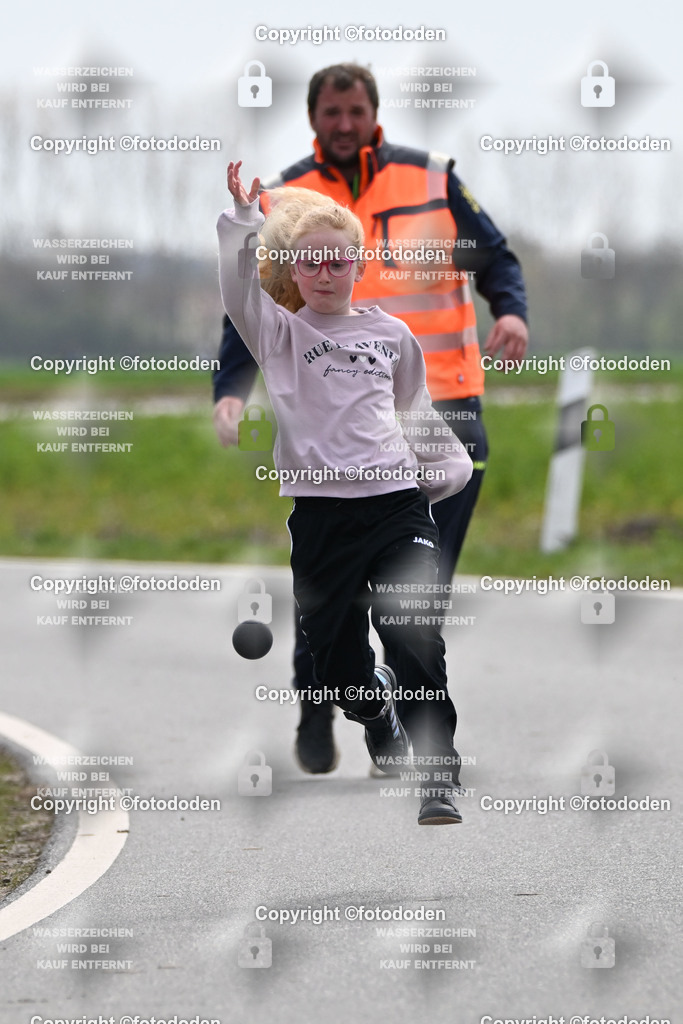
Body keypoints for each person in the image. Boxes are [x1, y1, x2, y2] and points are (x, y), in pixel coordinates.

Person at [214, 64, 528, 774]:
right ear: (313, 116)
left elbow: (495, 256)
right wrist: (230, 386)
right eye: (331, 111)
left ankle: (417, 736)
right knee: (336, 602)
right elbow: (252, 307)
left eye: (355, 109)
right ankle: (327, 700)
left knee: (413, 589)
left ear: (373, 112)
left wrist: (509, 310)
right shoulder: (287, 196)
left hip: (436, 402)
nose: (344, 122)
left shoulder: (432, 176)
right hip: (330, 426)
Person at [218, 160, 473, 825]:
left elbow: (415, 416)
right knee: (335, 669)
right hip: (322, 522)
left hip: (395, 507)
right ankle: (372, 709)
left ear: (357, 265)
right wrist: (245, 223)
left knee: (413, 633)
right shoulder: (279, 335)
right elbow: (237, 291)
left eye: (338, 262)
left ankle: (437, 776)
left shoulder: (392, 336)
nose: (326, 274)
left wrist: (444, 475)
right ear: (294, 272)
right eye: (312, 265)